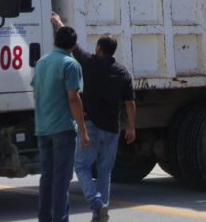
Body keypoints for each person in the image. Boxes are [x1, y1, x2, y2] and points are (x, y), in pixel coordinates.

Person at [51, 13, 136, 222]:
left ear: (99, 49)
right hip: (113, 129)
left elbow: (73, 46)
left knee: (81, 167)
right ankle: (101, 213)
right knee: (105, 173)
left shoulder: (89, 63)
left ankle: (96, 202)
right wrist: (131, 127)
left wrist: (59, 23)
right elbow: (129, 102)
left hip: (91, 127)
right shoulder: (123, 72)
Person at [31, 26, 91, 222]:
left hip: (43, 128)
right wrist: (83, 131)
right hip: (63, 129)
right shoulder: (70, 64)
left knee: (46, 178)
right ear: (73, 45)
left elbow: (36, 93)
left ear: (55, 40)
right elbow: (74, 99)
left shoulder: (41, 62)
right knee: (61, 180)